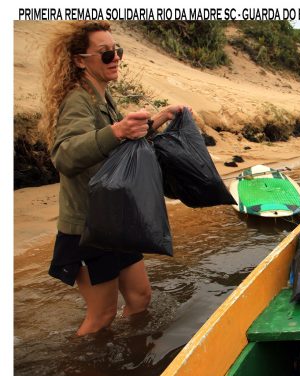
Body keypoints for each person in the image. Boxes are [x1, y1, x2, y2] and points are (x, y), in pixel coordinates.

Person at [40, 21, 192, 336]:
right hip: (88, 227)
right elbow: (65, 156)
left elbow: (120, 143)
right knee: (102, 315)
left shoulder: (102, 96)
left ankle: (126, 366)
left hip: (113, 219)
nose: (116, 58)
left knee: (139, 298)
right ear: (80, 60)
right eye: (106, 53)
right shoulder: (77, 101)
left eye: (117, 51)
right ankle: (79, 375)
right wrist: (117, 130)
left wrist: (161, 116)